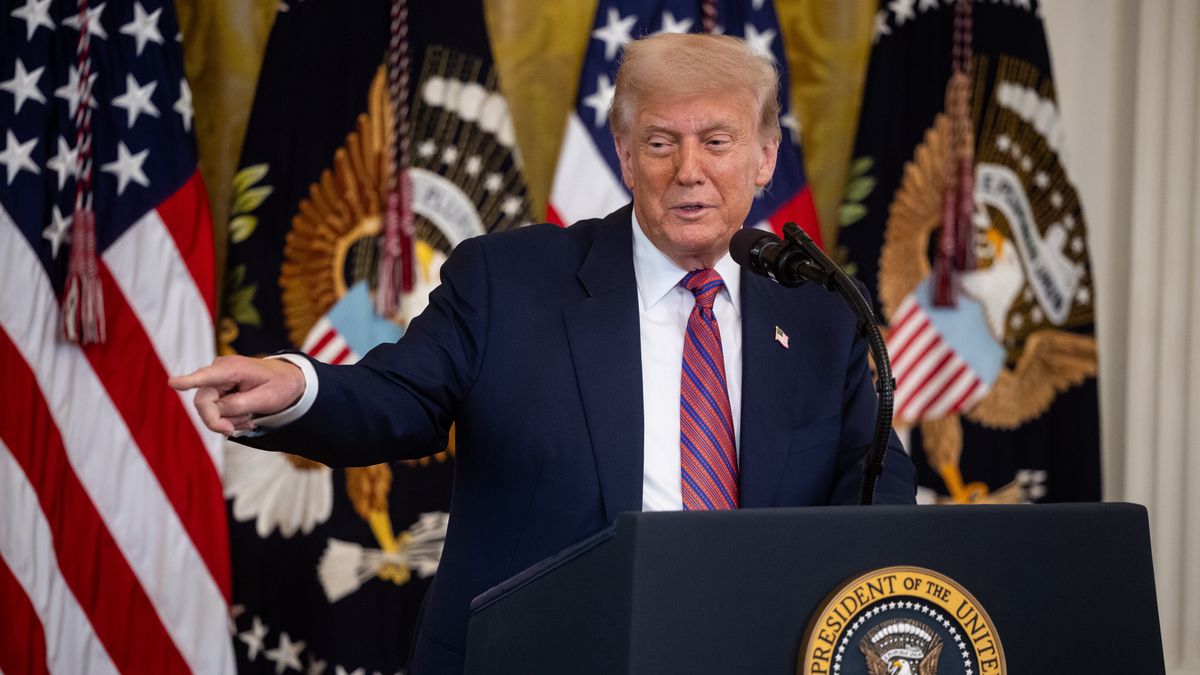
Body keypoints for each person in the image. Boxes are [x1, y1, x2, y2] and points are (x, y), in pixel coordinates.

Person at [171, 33, 916, 675]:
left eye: (716, 141)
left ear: (763, 157)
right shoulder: (510, 281)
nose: (689, 169)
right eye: (661, 141)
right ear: (624, 154)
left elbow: (873, 499)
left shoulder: (821, 308)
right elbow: (400, 397)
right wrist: (297, 387)